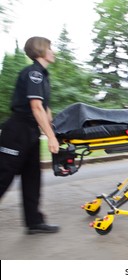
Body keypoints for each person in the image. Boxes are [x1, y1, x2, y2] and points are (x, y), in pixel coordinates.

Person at [0, 36, 60, 234]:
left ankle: (34, 222)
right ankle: (34, 221)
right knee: (3, 177)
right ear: (41, 50)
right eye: (50, 48)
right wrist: (50, 136)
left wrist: (54, 130)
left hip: (31, 131)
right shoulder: (34, 73)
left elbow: (44, 108)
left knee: (32, 177)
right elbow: (35, 107)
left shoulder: (43, 75)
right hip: (17, 131)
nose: (53, 52)